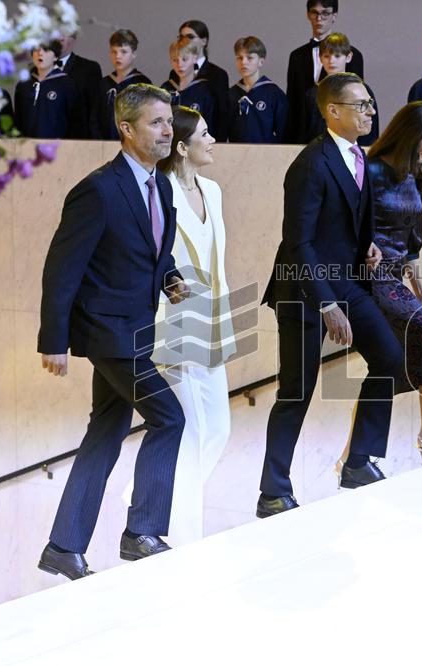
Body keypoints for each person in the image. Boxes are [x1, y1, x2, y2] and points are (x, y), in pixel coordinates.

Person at [36, 84, 191, 581]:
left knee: (106, 427)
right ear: (126, 129)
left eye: (170, 122)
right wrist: (53, 341)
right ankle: (141, 533)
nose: (167, 131)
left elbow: (155, 249)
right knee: (168, 417)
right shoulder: (96, 189)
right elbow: (62, 269)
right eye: (156, 123)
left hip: (137, 326)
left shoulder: (160, 185)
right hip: (107, 331)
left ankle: (64, 546)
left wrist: (169, 278)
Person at [259, 73, 403, 518]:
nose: (370, 112)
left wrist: (368, 246)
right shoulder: (309, 164)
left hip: (346, 282)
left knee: (391, 359)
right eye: (360, 105)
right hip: (304, 288)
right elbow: (299, 242)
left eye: (370, 103)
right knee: (296, 391)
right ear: (332, 111)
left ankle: (358, 461)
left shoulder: (358, 155)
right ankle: (273, 491)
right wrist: (325, 304)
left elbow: (348, 218)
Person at [121, 106, 236, 545]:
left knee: (219, 428)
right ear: (183, 147)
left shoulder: (214, 190)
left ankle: (144, 492)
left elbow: (216, 258)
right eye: (205, 134)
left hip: (212, 321)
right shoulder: (159, 191)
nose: (213, 140)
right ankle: (181, 531)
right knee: (190, 429)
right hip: (172, 323)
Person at [337, 101, 422, 468]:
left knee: (387, 367)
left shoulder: (415, 175)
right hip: (366, 277)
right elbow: (349, 222)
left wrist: (414, 265)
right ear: (411, 134)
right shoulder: (369, 170)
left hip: (393, 275)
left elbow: (412, 229)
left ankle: (351, 454)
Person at [285, 0, 365, 142]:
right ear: (308, 15)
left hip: (342, 133)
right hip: (305, 132)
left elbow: (357, 99)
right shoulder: (296, 56)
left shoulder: (354, 55)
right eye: (315, 13)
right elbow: (293, 99)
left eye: (325, 13)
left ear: (334, 15)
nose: (319, 19)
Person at [302, 33, 379, 145]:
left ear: (348, 57)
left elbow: (371, 127)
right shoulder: (312, 94)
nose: (331, 61)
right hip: (321, 150)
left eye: (337, 56)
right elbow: (306, 130)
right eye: (327, 56)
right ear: (320, 58)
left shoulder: (363, 90)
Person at [168, 20, 231, 141]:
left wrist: (218, 143)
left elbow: (221, 114)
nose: (184, 40)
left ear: (204, 41)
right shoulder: (174, 73)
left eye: (190, 36)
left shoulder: (218, 74)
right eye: (181, 37)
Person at [91, 29, 151, 141]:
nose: (118, 56)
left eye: (123, 52)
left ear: (133, 54)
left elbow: (146, 117)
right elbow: (94, 117)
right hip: (104, 143)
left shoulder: (142, 83)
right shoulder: (104, 83)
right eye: (114, 52)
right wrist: (99, 139)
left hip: (132, 144)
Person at [228, 36, 288, 143]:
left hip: (266, 154)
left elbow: (283, 132)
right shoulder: (231, 94)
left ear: (261, 61)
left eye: (249, 58)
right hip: (236, 153)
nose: (244, 62)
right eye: (239, 58)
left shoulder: (274, 94)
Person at [14, 41, 79, 139]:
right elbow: (18, 120)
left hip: (57, 147)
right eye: (36, 50)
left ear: (55, 57)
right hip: (26, 147)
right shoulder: (23, 85)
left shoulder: (66, 85)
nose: (40, 53)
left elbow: (75, 122)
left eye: (46, 50)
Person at [55, 32, 103, 140]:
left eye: (63, 35)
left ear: (73, 39)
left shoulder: (89, 68)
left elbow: (95, 111)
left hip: (78, 140)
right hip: (44, 142)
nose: (59, 39)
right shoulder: (37, 70)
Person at [162, 38, 216, 130]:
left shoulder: (204, 90)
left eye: (184, 59)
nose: (180, 64)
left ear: (195, 58)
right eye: (175, 60)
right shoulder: (166, 88)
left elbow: (210, 124)